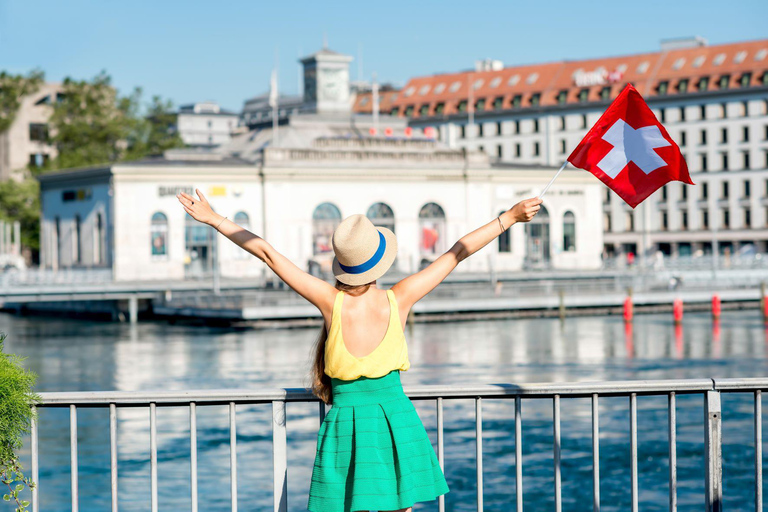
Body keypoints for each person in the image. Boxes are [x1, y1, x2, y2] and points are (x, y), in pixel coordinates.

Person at [177, 189, 542, 512]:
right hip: (395, 419)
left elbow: (268, 255)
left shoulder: (330, 302)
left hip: (346, 424)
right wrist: (509, 217)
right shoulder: (399, 298)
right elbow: (456, 253)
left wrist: (213, 219)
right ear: (379, 260)